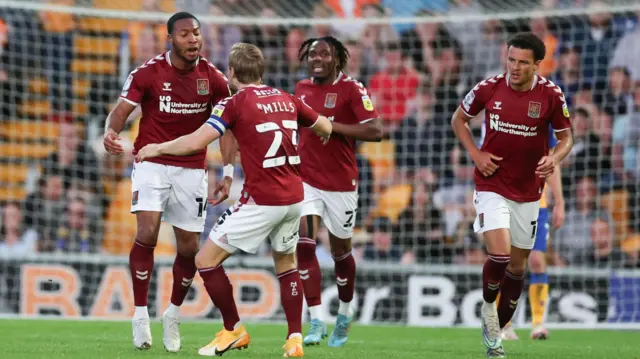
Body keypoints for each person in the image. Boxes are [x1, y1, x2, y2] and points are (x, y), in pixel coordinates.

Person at [135, 42, 333, 358]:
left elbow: (197, 141)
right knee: (286, 262)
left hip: (262, 200)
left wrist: (157, 148)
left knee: (204, 260)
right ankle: (294, 338)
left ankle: (233, 330)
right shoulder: (287, 98)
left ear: (232, 72)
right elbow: (324, 126)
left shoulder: (234, 102)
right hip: (296, 196)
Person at [102, 12, 233, 352]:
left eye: (197, 33)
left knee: (189, 248)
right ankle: (140, 313)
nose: (193, 39)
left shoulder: (213, 78)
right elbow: (121, 111)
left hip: (192, 169)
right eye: (185, 34)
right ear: (171, 39)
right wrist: (110, 133)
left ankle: (172, 313)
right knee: (146, 231)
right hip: (152, 162)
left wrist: (229, 171)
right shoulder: (148, 72)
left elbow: (229, 125)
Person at [450, 32, 573, 358]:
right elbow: (458, 119)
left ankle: (495, 337)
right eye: (511, 60)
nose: (514, 68)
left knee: (518, 269)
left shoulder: (550, 95)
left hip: (529, 192)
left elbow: (566, 138)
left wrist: (554, 158)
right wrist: (476, 155)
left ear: (536, 64)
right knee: (501, 257)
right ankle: (489, 308)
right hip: (491, 184)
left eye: (522, 63)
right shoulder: (489, 88)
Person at [294, 36, 382, 347]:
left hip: (341, 184)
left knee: (340, 252)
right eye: (312, 54)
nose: (316, 59)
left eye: (324, 54)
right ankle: (315, 319)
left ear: (337, 59)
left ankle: (344, 313)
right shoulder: (301, 89)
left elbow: (376, 130)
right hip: (305, 179)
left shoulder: (352, 89)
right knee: (304, 243)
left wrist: (332, 127)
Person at [500, 128, 566, 341]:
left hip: (538, 205)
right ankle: (504, 324)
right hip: (508, 201)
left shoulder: (544, 127)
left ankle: (538, 324)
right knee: (509, 262)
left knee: (537, 260)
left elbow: (552, 164)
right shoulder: (505, 121)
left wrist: (560, 202)